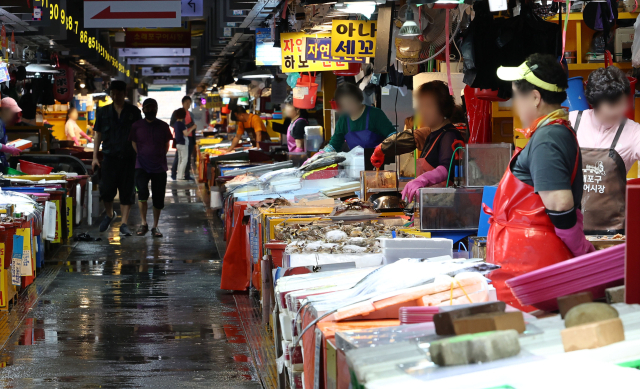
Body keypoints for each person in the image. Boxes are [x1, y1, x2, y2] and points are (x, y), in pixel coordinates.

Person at [487, 53, 594, 310]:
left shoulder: (548, 138)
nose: (514, 105)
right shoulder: (551, 132)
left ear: (535, 97)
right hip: (527, 269)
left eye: (516, 96)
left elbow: (559, 204)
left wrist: (583, 251)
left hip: (532, 272)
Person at [568, 66, 640, 235]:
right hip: (571, 230)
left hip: (615, 234)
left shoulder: (634, 132)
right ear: (594, 102)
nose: (621, 109)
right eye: (613, 104)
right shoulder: (570, 122)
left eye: (623, 102)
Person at [371, 81, 465, 203]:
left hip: (446, 209)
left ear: (443, 107)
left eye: (428, 106)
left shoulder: (450, 135)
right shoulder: (432, 133)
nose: (423, 111)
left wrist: (422, 180)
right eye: (420, 106)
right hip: (431, 207)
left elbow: (447, 168)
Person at [92, 80, 143, 236]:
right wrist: (95, 157)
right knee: (106, 190)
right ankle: (109, 214)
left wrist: (141, 155)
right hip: (109, 157)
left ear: (124, 94)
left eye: (118, 93)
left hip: (129, 158)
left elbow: (139, 135)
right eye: (112, 93)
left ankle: (124, 223)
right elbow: (98, 135)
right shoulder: (103, 112)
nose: (115, 96)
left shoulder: (134, 112)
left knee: (127, 191)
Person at [129, 98, 173, 237]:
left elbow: (167, 145)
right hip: (141, 166)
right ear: (143, 109)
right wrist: (142, 155)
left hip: (159, 167)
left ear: (157, 109)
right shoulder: (136, 126)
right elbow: (134, 143)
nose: (150, 110)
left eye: (153, 107)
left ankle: (155, 226)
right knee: (142, 194)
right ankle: (144, 223)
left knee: (158, 197)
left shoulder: (163, 126)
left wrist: (158, 156)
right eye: (147, 108)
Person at [323, 82, 395, 153]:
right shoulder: (343, 119)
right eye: (344, 105)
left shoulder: (375, 114)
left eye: (350, 102)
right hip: (356, 162)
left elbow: (393, 136)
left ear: (358, 98)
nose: (348, 107)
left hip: (379, 161)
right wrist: (321, 154)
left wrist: (381, 148)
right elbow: (334, 145)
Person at [170, 96, 196, 180]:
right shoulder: (178, 113)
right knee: (179, 157)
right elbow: (172, 123)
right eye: (186, 103)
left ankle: (186, 174)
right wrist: (184, 127)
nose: (188, 105)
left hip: (190, 138)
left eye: (189, 103)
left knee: (187, 157)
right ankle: (174, 173)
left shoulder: (190, 114)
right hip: (182, 138)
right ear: (183, 103)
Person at [0, 98, 23, 171]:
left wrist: (7, 147)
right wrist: (7, 149)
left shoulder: (2, 123)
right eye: (12, 113)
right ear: (5, 110)